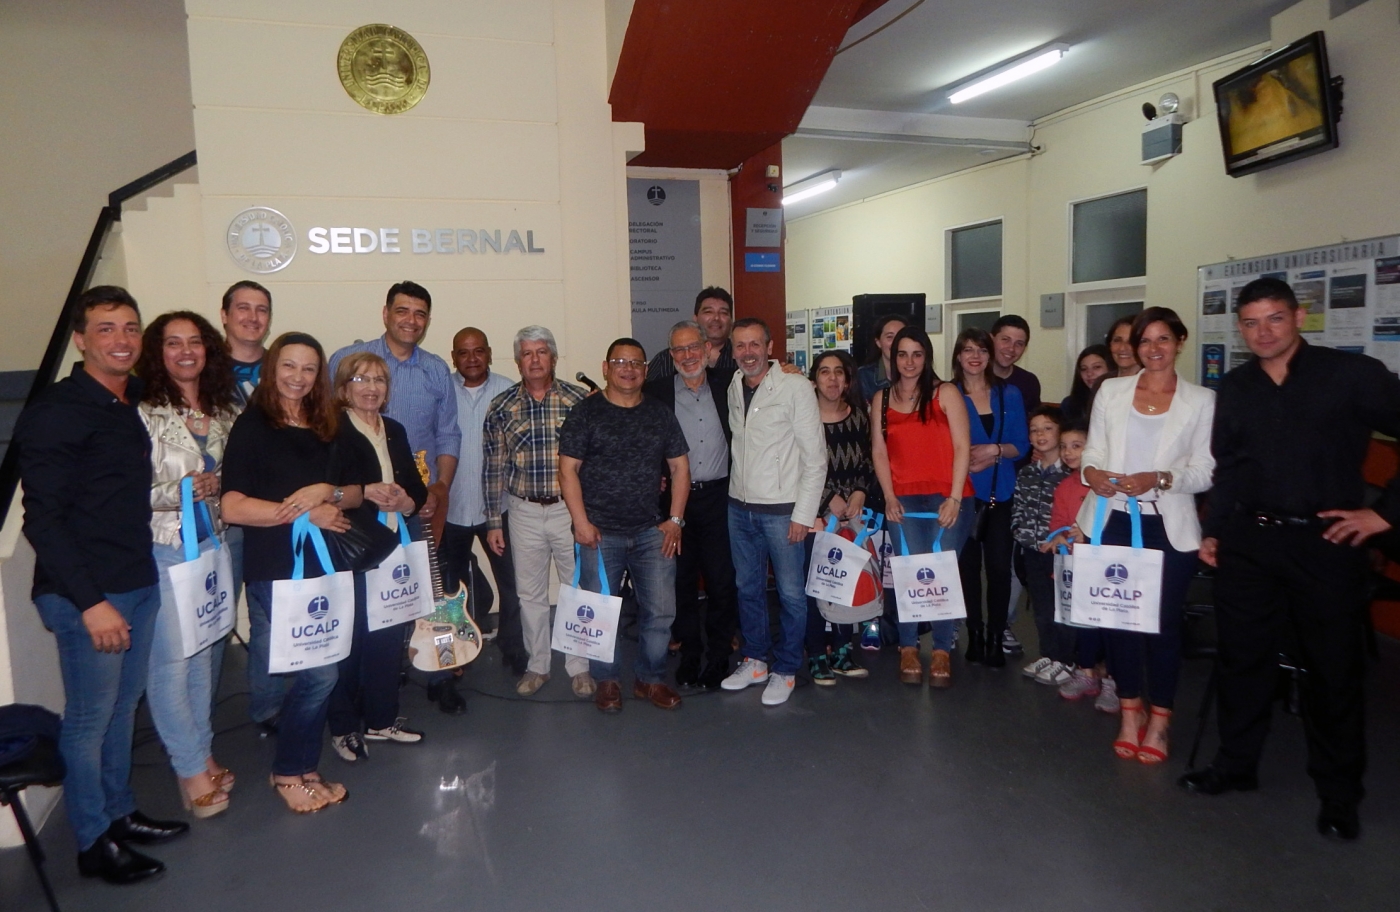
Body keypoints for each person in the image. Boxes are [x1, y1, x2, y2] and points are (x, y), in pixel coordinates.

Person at [1181, 278, 1400, 841]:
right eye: (1251, 323)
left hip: (1323, 546)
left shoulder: (1351, 376)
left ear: (1299, 316)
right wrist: (1215, 529)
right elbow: (1230, 465)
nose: (1263, 332)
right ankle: (1236, 766)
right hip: (1250, 544)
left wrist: (1387, 515)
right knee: (1243, 661)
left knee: (1332, 673)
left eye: (1274, 319)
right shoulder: (1235, 386)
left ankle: (1339, 794)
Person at [16, 286, 189, 883]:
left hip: (135, 581)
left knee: (121, 712)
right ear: (81, 339)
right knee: (90, 721)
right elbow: (42, 519)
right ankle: (93, 845)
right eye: (106, 328)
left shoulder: (126, 400)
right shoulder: (58, 411)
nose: (121, 339)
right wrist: (91, 604)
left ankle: (120, 814)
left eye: (130, 328)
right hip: (89, 595)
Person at [220, 332, 368, 814]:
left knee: (324, 671)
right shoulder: (252, 427)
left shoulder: (328, 423)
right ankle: (287, 771)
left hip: (326, 569)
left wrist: (329, 491)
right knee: (320, 674)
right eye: (289, 366)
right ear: (272, 369)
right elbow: (234, 507)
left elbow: (356, 492)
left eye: (308, 369)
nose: (298, 377)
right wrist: (304, 512)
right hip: (277, 570)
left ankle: (305, 768)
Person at [1079, 307, 1214, 766]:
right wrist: (1092, 471)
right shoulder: (1112, 391)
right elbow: (1092, 450)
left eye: (1163, 339)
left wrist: (1158, 477)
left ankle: (1160, 720)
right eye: (1144, 341)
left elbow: (1204, 471)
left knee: (1161, 627)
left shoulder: (1201, 400)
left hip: (1168, 526)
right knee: (1118, 623)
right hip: (1112, 518)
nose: (1153, 349)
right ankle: (1130, 715)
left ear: (1179, 341)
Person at [329, 281, 461, 710]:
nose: (411, 320)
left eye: (420, 313)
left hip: (418, 504)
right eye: (402, 311)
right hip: (361, 512)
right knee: (372, 607)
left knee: (431, 592)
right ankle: (378, 684)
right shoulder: (349, 361)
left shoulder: (436, 369)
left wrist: (439, 488)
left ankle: (441, 673)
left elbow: (448, 432)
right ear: (385, 312)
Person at [135, 312, 238, 819]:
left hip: (213, 544)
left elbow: (238, 470)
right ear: (158, 352)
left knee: (203, 654)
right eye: (172, 343)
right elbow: (125, 491)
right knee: (172, 663)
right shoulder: (142, 411)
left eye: (194, 342)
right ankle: (188, 767)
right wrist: (181, 491)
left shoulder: (222, 408)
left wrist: (223, 485)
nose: (185, 351)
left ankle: (204, 751)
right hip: (166, 548)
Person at [559, 339, 690, 712]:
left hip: (652, 532)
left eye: (636, 363)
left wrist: (676, 520)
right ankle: (609, 681)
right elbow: (568, 470)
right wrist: (580, 523)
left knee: (661, 611)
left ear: (645, 371)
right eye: (620, 361)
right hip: (598, 534)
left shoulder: (660, 414)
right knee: (600, 613)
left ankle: (650, 679)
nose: (628, 369)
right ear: (605, 368)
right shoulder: (586, 414)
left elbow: (680, 467)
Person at [326, 352, 428, 762]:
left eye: (379, 380)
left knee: (387, 636)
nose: (371, 387)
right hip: (352, 547)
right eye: (361, 379)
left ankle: (382, 719)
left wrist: (407, 501)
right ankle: (344, 727)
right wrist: (366, 492)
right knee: (349, 641)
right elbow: (328, 489)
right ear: (344, 387)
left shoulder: (397, 430)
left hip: (393, 547)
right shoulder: (332, 430)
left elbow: (417, 490)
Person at [482, 326, 594, 698]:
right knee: (529, 595)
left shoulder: (580, 401)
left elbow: (594, 462)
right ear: (517, 362)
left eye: (541, 352)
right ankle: (538, 665)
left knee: (576, 590)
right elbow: (493, 468)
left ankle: (579, 667)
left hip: (569, 511)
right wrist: (494, 522)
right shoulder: (500, 406)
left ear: (554, 358)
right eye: (527, 354)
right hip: (523, 512)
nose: (534, 360)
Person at [721, 318, 826, 706]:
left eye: (754, 345)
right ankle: (756, 660)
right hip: (739, 508)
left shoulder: (795, 387)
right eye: (740, 346)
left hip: (783, 512)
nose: (747, 352)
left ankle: (784, 669)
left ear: (769, 347)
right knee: (747, 589)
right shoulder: (734, 385)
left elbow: (816, 459)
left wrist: (803, 514)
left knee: (791, 595)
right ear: (733, 351)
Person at [871, 327, 975, 686]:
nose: (910, 361)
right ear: (893, 357)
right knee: (907, 576)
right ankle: (908, 647)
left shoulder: (945, 392)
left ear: (927, 356)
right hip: (902, 499)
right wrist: (888, 496)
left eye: (917, 354)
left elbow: (963, 446)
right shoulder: (881, 399)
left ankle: (942, 650)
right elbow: (879, 451)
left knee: (941, 575)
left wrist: (956, 498)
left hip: (948, 497)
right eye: (903, 354)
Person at [643, 320, 738, 691]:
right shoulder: (657, 392)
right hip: (675, 501)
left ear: (706, 348)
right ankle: (690, 654)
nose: (687, 356)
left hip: (720, 497)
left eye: (693, 347)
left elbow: (766, 370)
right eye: (679, 350)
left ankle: (718, 657)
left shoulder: (728, 384)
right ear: (671, 356)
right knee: (680, 581)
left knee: (720, 581)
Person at [442, 327, 527, 678]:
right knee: (450, 587)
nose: (472, 358)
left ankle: (513, 647)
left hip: (499, 508)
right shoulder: (442, 391)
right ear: (454, 358)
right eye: (464, 352)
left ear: (490, 353)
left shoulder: (509, 390)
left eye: (479, 351)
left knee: (512, 583)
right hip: (452, 507)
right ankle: (457, 653)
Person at [953, 327, 1029, 668]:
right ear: (958, 356)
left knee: (999, 569)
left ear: (989, 355)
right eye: (968, 349)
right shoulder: (947, 394)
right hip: (962, 495)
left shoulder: (1008, 394)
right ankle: (975, 632)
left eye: (981, 350)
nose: (975, 356)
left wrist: (993, 450)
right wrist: (968, 459)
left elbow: (1022, 444)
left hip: (1001, 494)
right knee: (967, 569)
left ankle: (998, 635)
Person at [806, 350, 875, 685]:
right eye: (824, 372)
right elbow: (795, 467)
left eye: (838, 373)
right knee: (815, 587)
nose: (832, 379)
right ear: (814, 379)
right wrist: (826, 501)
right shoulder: (803, 419)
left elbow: (866, 461)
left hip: (852, 517)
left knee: (846, 584)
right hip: (814, 518)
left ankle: (844, 651)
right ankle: (817, 653)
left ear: (847, 380)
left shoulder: (859, 416)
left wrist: (860, 492)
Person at [1049, 424, 1119, 713]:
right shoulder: (1064, 487)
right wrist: (1059, 537)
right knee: (1085, 623)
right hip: (1076, 564)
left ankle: (1115, 681)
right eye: (1064, 446)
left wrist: (1087, 533)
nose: (1068, 452)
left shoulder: (1108, 484)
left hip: (1107, 566)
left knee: (1113, 625)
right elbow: (1056, 523)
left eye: (1077, 446)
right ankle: (1086, 671)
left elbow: (1115, 522)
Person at [1011, 405, 1071, 685]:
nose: (1040, 434)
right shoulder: (1027, 473)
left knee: (1063, 607)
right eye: (1034, 430)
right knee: (1042, 607)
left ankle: (1066, 659)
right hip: (1033, 551)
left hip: (1061, 554)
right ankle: (1048, 653)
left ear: (1060, 432)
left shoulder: (1072, 474)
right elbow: (1019, 508)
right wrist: (1022, 535)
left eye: (1047, 428)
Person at [646, 286, 738, 381]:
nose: (716, 318)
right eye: (709, 312)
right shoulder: (665, 360)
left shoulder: (741, 357)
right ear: (695, 318)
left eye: (723, 313)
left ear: (731, 320)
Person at [222, 280, 272, 410]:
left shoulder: (281, 369)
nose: (253, 318)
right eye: (243, 308)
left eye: (261, 310)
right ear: (224, 316)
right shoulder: (204, 368)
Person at [856, 313, 909, 403]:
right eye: (890, 337)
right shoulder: (864, 376)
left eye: (901, 336)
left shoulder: (918, 373)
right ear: (878, 342)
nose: (896, 342)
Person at [1060, 344, 1112, 425]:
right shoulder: (1069, 404)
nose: (1089, 373)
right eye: (1084, 369)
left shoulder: (1121, 399)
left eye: (1097, 367)